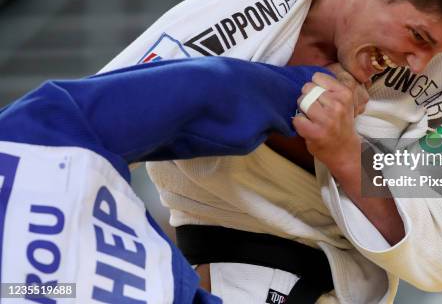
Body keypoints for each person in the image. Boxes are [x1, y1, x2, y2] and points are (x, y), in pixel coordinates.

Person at [101, 0, 442, 304]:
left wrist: (348, 156)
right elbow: (90, 130)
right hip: (228, 269)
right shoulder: (227, 23)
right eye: (418, 36)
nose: (420, 64)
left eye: (438, 49)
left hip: (352, 288)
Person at [0, 57, 331, 303]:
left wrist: (327, 117)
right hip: (252, 261)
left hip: (313, 255)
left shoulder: (359, 91)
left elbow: (203, 89)